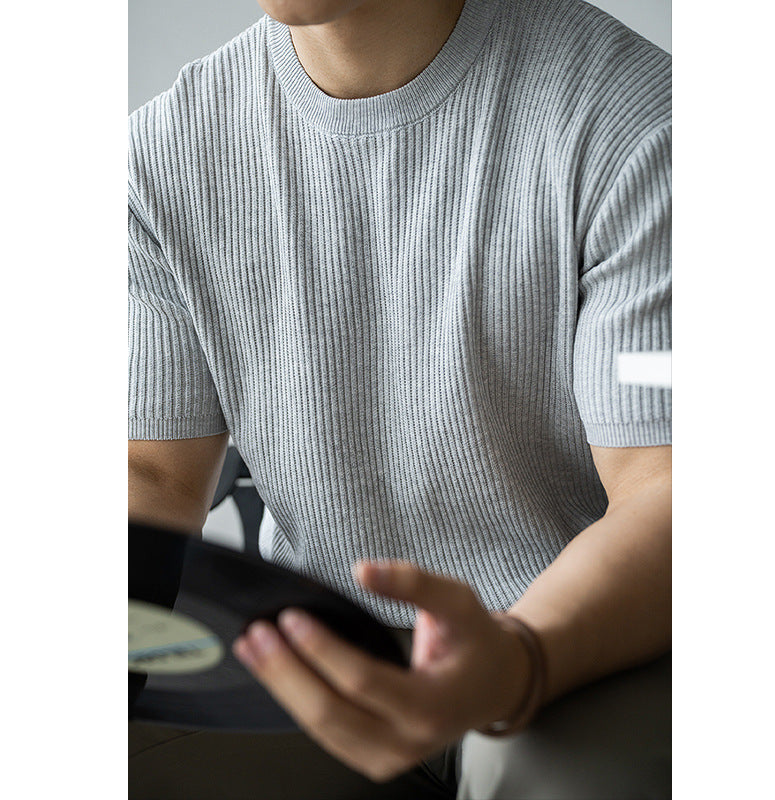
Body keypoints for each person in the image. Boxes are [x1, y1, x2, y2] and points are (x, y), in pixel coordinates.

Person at [128, 0, 671, 797]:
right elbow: (151, 474)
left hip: (589, 646)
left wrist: (521, 658)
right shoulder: (163, 154)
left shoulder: (636, 122)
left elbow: (665, 487)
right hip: (316, 650)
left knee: (544, 778)